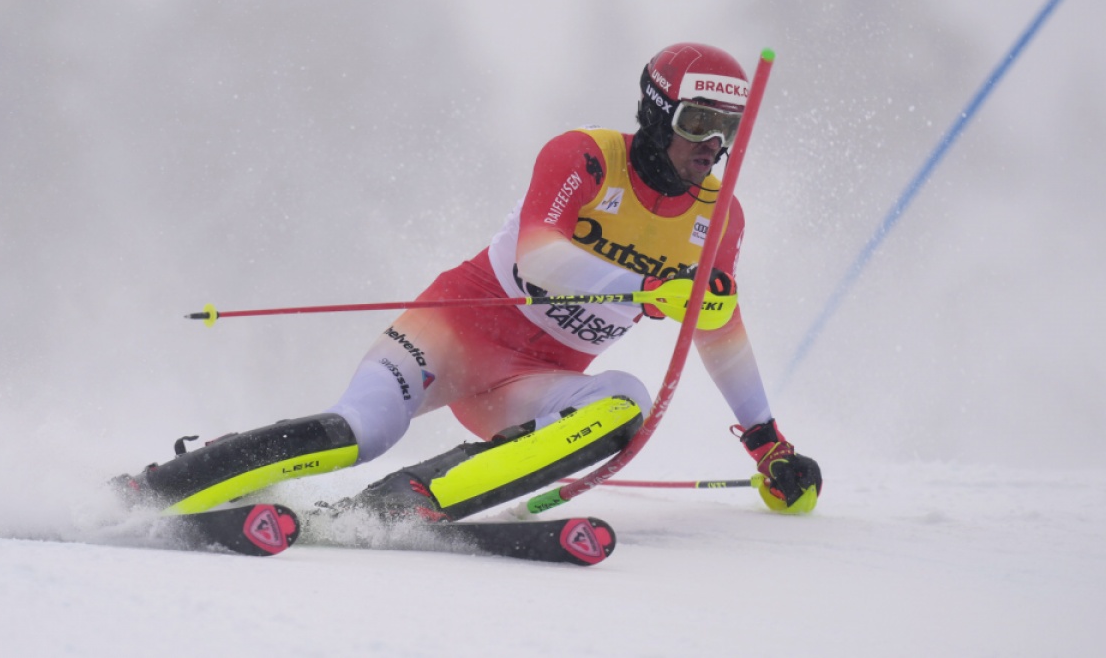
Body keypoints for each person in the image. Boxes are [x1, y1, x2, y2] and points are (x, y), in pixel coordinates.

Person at [115, 42, 822, 521]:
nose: (712, 145)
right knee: (359, 432)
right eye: (698, 122)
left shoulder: (720, 218)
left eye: (727, 128)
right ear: (657, 113)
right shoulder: (584, 158)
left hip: (530, 383)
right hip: (452, 333)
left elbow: (719, 329)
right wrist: (646, 288)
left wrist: (768, 445)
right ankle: (154, 488)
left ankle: (402, 504)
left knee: (624, 402)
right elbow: (539, 258)